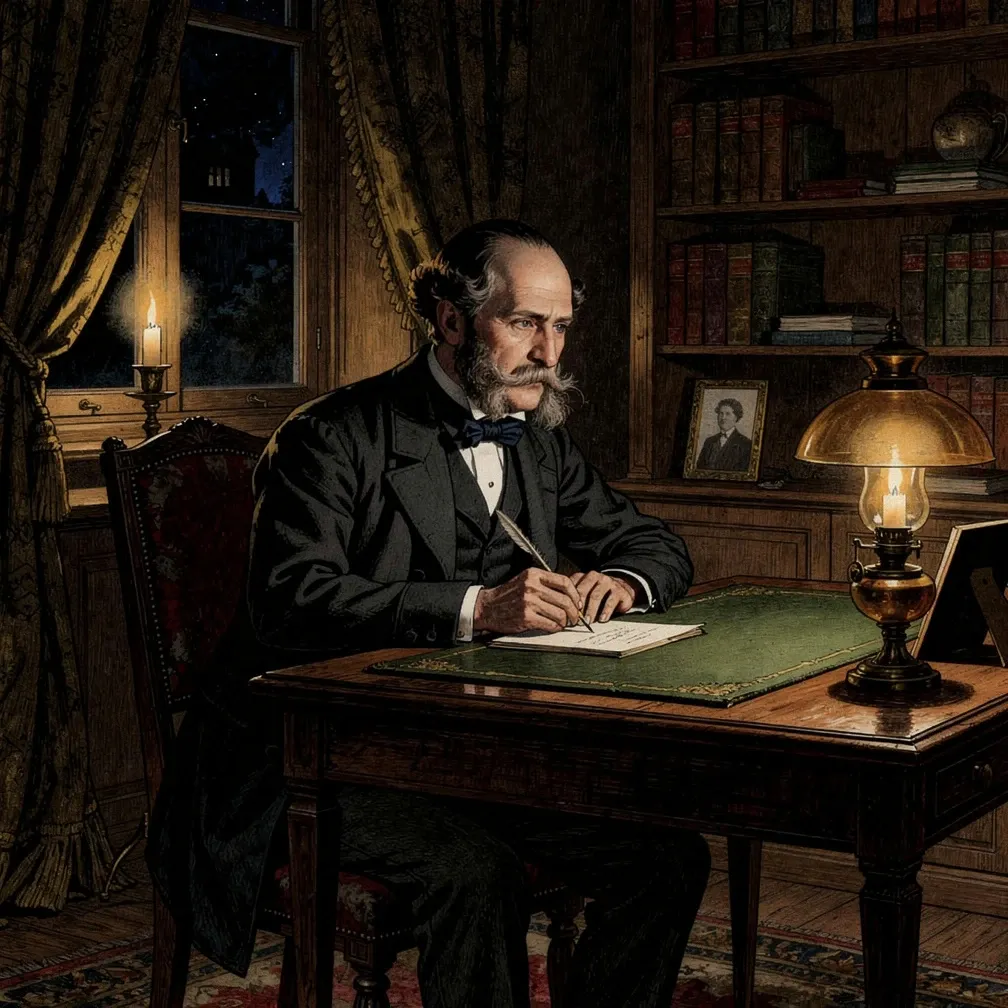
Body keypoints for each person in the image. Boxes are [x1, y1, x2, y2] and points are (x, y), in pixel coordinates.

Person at [148, 219, 708, 1008]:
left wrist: (620, 579)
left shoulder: (538, 439)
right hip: (302, 764)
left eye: (560, 328)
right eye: (524, 324)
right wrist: (478, 609)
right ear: (451, 319)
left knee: (665, 860)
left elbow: (653, 543)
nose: (549, 354)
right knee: (476, 872)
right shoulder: (330, 437)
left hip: (461, 751)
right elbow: (290, 602)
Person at [696, 397, 753, 471]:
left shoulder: (746, 443)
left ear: (736, 417)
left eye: (728, 414)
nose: (723, 417)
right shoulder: (709, 441)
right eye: (721, 413)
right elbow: (699, 469)